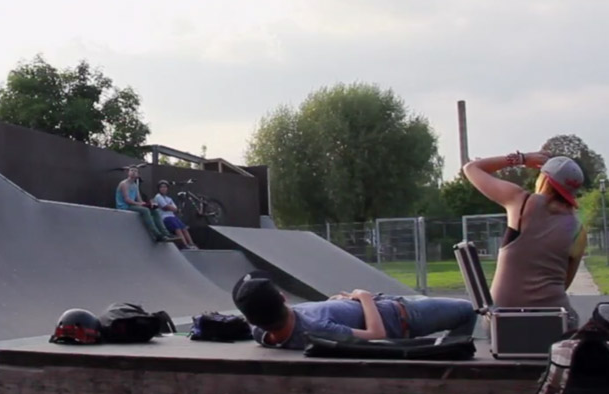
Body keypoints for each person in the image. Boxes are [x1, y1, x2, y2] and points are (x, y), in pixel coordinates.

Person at [462, 150, 586, 328]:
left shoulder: (521, 202)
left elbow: (472, 168)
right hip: (553, 321)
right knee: (575, 320)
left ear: (543, 179)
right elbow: (565, 282)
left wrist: (522, 159)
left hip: (501, 322)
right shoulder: (578, 230)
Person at [232, 270, 477, 350]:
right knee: (468, 309)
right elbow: (377, 334)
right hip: (403, 316)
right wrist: (364, 298)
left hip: (382, 304)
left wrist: (336, 303)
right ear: (283, 298)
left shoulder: (261, 332)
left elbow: (281, 319)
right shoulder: (317, 330)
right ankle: (452, 357)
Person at [115, 166, 178, 243]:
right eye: (131, 170)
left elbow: (139, 199)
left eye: (135, 171)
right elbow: (127, 200)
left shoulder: (135, 185)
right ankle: (157, 234)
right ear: (128, 172)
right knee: (145, 210)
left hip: (132, 205)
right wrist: (141, 205)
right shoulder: (124, 184)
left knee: (155, 210)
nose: (133, 172)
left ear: (138, 175)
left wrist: (148, 204)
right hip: (124, 206)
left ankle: (166, 233)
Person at [153, 181, 197, 249]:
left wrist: (169, 207)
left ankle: (192, 244)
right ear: (159, 189)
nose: (163, 189)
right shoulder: (158, 197)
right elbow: (165, 207)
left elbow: (175, 209)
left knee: (184, 228)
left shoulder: (169, 198)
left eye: (165, 187)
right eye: (161, 187)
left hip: (172, 216)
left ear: (167, 188)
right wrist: (169, 207)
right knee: (177, 228)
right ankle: (185, 245)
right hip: (165, 217)